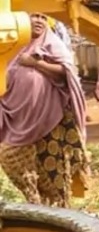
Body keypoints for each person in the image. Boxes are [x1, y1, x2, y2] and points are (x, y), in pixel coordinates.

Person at [0, 13, 89, 207]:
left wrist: (36, 64)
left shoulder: (52, 43)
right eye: (34, 16)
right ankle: (36, 205)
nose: (39, 20)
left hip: (49, 121)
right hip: (15, 119)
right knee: (12, 161)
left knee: (52, 171)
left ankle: (57, 211)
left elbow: (67, 71)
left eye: (42, 17)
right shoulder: (10, 45)